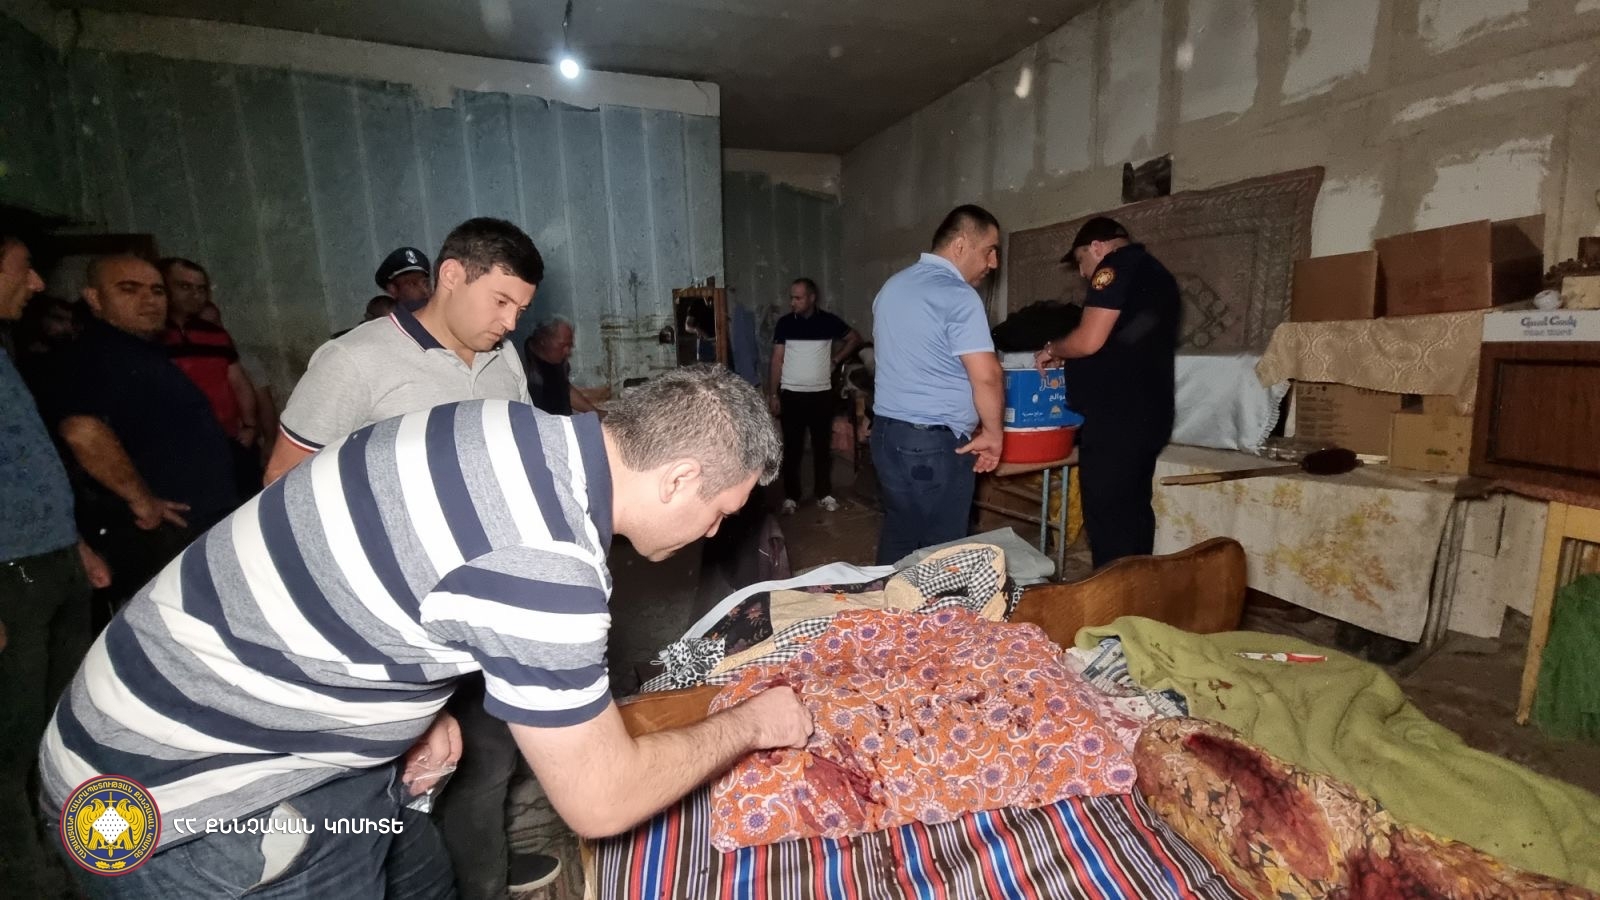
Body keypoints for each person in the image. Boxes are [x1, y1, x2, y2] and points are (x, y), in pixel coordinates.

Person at [39, 367, 811, 898]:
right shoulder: (546, 566)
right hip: (179, 809)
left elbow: (394, 563)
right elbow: (601, 800)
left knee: (422, 877)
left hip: (154, 715)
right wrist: (754, 723)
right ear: (678, 478)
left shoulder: (501, 425)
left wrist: (418, 696)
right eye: (722, 510)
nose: (716, 529)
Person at [266, 217, 552, 897]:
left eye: (521, 309)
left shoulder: (503, 360)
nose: (511, 323)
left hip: (483, 602)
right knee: (405, 776)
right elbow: (282, 487)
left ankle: (481, 872)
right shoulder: (354, 362)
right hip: (394, 617)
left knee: (488, 754)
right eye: (501, 301)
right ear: (451, 276)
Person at [35, 253, 240, 620]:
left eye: (157, 291)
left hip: (192, 522)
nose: (149, 300)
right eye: (128, 289)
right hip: (159, 531)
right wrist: (142, 500)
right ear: (95, 298)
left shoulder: (139, 351)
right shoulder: (92, 355)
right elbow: (82, 431)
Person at [0, 226, 111, 898]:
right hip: (9, 580)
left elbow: (26, 463)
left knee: (64, 725)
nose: (38, 284)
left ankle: (77, 856)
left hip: (51, 562)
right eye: (24, 268)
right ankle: (29, 880)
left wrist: (74, 541)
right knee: (10, 742)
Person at [1033, 216, 1179, 568]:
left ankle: (1113, 598)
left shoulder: (1114, 268)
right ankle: (1137, 592)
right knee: (1133, 514)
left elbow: (1089, 340)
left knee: (1109, 520)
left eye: (1081, 260)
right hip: (1148, 414)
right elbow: (1124, 342)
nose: (1084, 273)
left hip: (1117, 419)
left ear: (1097, 247)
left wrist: (1053, 348)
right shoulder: (1156, 273)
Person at [869, 204, 1005, 565]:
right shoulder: (958, 294)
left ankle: (887, 600)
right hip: (932, 446)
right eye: (989, 250)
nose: (993, 263)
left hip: (886, 436)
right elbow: (987, 374)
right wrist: (994, 433)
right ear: (960, 245)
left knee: (901, 532)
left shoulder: (892, 287)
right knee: (943, 552)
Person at [159, 257, 263, 490]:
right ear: (163, 286)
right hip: (179, 447)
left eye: (201, 289)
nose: (195, 295)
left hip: (229, 439)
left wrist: (250, 426)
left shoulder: (216, 335)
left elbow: (238, 382)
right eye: (185, 286)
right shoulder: (151, 337)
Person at [768, 277, 862, 514]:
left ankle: (824, 493)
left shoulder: (828, 322)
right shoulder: (785, 324)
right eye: (792, 297)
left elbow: (854, 338)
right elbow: (777, 359)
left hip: (821, 395)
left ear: (812, 298)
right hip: (791, 395)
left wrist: (836, 360)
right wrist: (773, 394)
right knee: (792, 449)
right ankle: (791, 497)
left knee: (822, 447)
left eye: (798, 298)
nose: (793, 302)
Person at [523, 314, 600, 416]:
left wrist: (596, 413)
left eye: (570, 345)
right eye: (563, 345)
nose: (567, 351)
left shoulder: (559, 361)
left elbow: (565, 389)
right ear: (543, 340)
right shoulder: (523, 365)